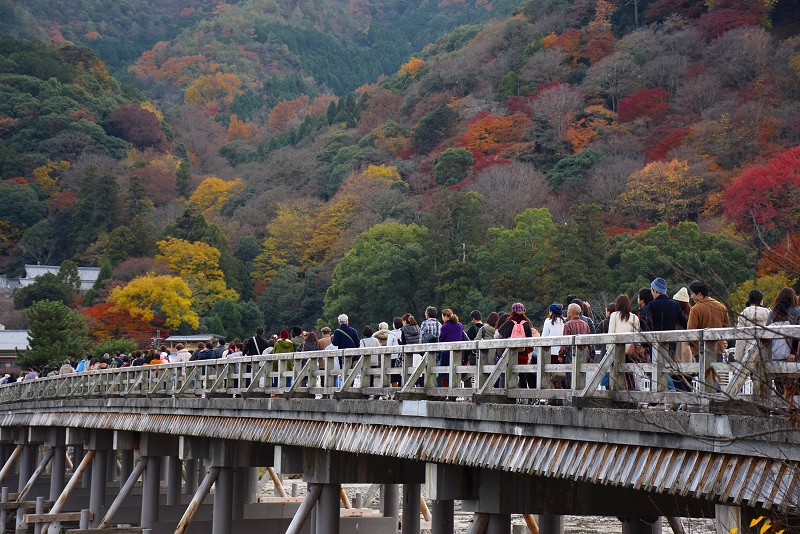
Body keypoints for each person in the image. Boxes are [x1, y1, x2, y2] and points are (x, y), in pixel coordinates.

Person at [497, 302, 538, 390]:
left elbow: (499, 332)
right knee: (523, 377)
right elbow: (530, 340)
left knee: (510, 375)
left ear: (512, 311)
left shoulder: (509, 322)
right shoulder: (526, 324)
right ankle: (524, 398)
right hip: (523, 354)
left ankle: (511, 397)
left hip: (510, 354)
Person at [687, 280, 730, 360]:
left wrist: (690, 345)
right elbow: (726, 327)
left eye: (692, 293)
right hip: (718, 349)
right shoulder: (721, 307)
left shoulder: (695, 309)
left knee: (703, 372)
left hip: (701, 351)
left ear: (699, 293)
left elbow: (691, 331)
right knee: (717, 372)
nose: (691, 297)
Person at [607, 294, 641, 390]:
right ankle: (631, 396)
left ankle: (618, 397)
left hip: (616, 351)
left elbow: (610, 334)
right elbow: (637, 337)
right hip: (630, 351)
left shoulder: (614, 315)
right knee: (629, 375)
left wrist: (608, 351)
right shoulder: (634, 317)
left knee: (616, 375)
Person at [768, 298, 798, 402]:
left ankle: (782, 408)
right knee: (788, 389)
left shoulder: (771, 327)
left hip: (774, 363)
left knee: (779, 389)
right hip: (787, 362)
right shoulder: (791, 327)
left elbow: (774, 349)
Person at [557, 303, 591, 388]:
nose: (567, 312)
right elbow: (589, 341)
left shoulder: (568, 325)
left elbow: (565, 342)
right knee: (581, 375)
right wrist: (591, 354)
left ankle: (572, 397)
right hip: (584, 353)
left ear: (572, 312)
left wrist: (561, 354)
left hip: (571, 353)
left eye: (568, 310)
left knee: (571, 376)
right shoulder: (585, 324)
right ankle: (581, 395)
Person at [734, 289, 770, 362]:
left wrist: (738, 357)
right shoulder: (768, 313)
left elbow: (741, 337)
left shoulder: (745, 313)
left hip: (749, 352)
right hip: (765, 352)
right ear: (761, 300)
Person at [437, 309, 464, 387]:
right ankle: (455, 390)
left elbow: (441, 340)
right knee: (456, 372)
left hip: (447, 353)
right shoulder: (459, 325)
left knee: (443, 372)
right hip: (459, 352)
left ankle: (446, 391)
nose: (442, 318)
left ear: (445, 316)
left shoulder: (445, 327)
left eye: (442, 316)